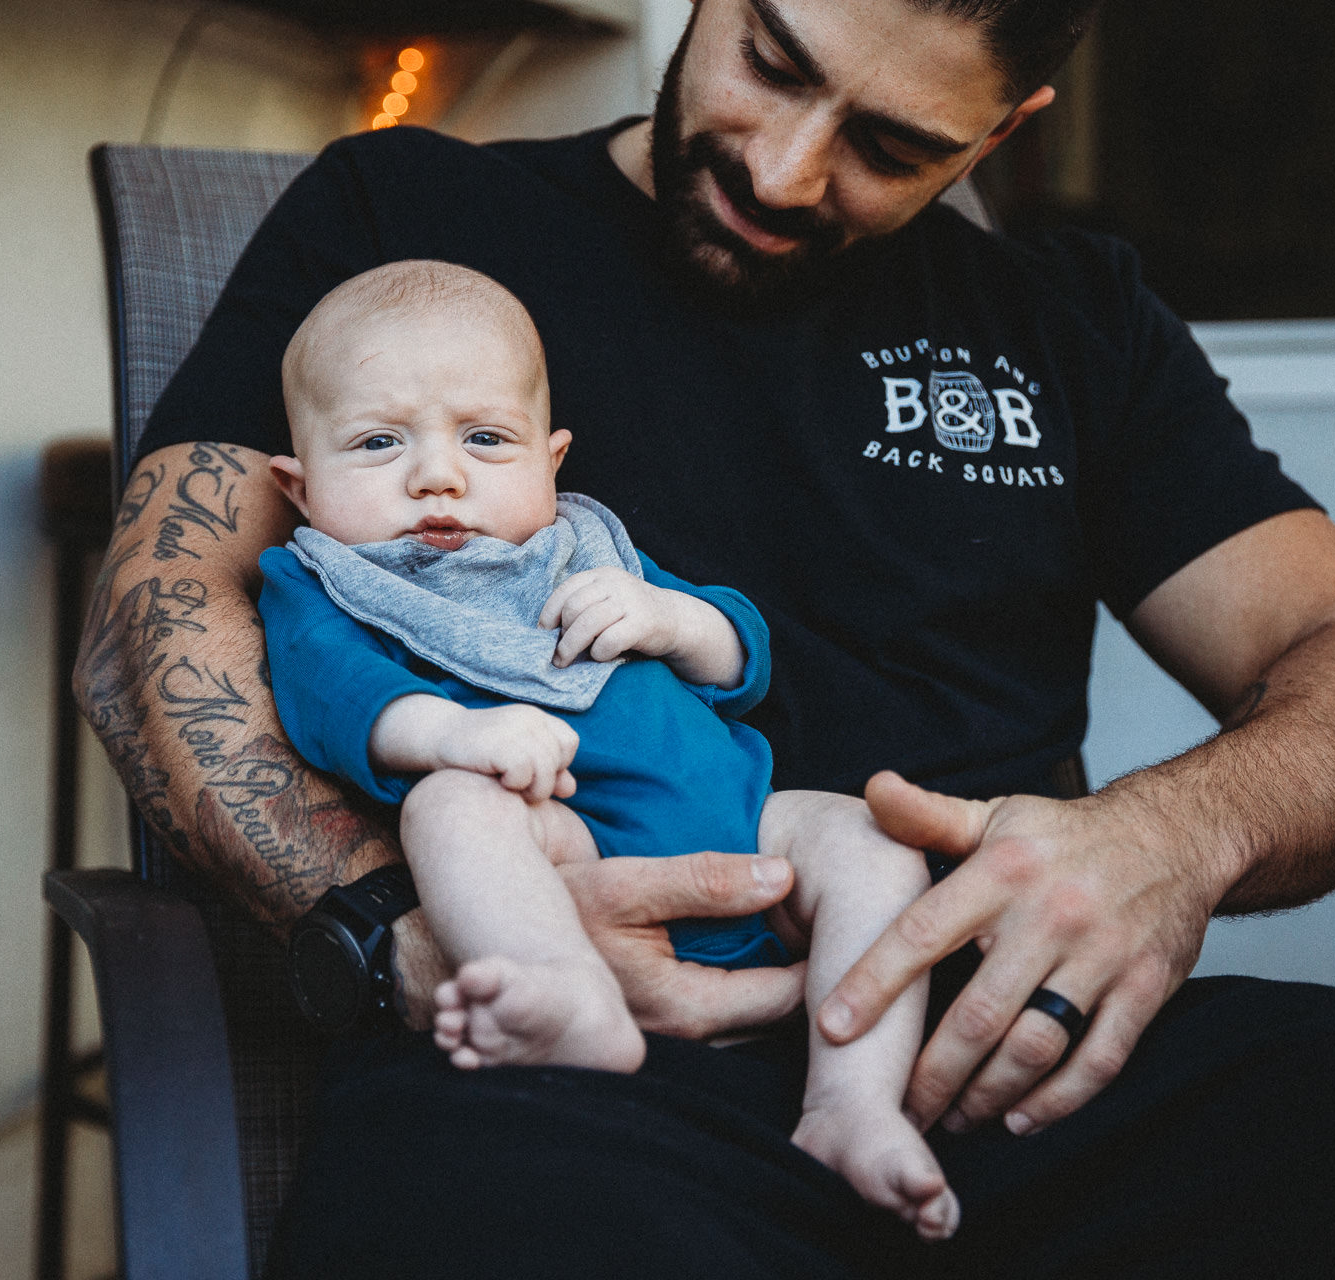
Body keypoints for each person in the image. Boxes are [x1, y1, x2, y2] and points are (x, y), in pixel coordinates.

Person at [76, 0, 1335, 1272]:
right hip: (565, 1085)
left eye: (893, 145)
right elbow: (159, 619)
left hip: (1017, 1058)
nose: (783, 168)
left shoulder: (1073, 318)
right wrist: (403, 928)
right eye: (772, 58)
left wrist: (1174, 839)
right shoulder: (401, 225)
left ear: (1004, 130)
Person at [260, 257, 961, 1236]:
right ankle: (560, 989)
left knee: (869, 832)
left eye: (486, 439)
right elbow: (332, 694)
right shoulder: (327, 580)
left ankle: (854, 1101)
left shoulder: (587, 546)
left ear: (552, 460)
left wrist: (670, 616)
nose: (438, 474)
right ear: (299, 484)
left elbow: (741, 655)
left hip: (754, 829)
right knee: (450, 807)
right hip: (573, 851)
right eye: (378, 441)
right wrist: (458, 734)